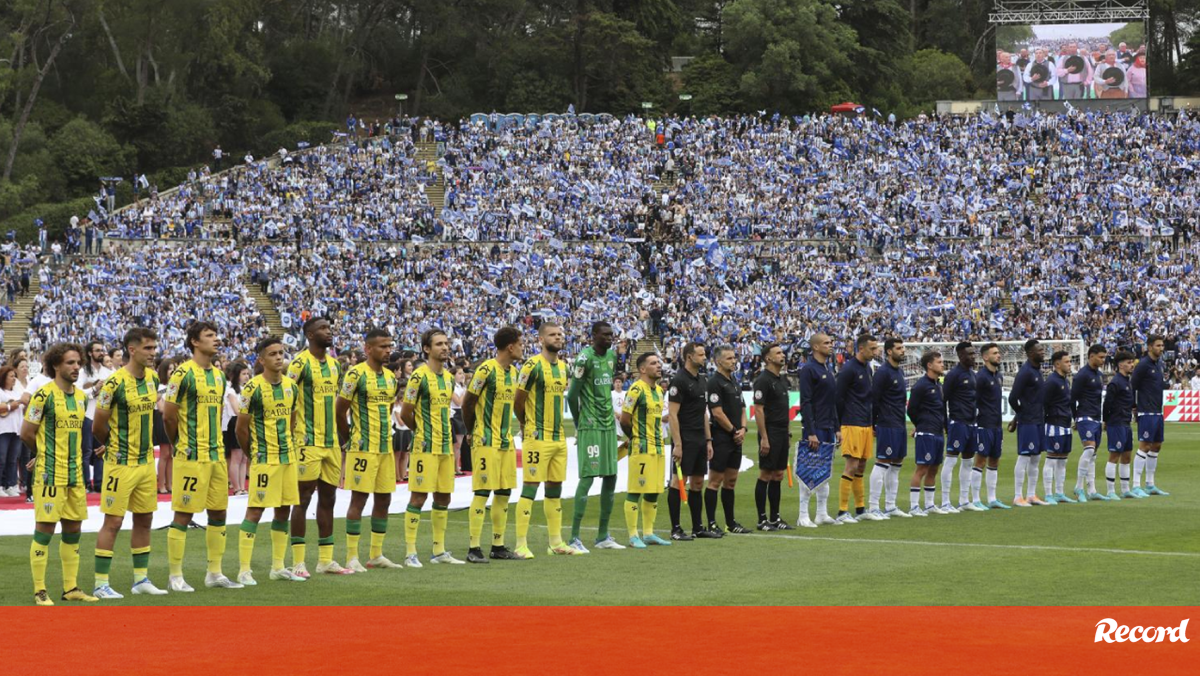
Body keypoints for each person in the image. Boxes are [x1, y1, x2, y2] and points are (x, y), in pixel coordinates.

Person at [90, 328, 169, 599]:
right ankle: (101, 583)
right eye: (148, 348)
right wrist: (114, 445)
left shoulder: (153, 378)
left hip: (146, 462)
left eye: (154, 348)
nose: (153, 353)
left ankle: (140, 580)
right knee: (113, 521)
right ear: (132, 350)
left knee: (144, 519)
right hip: (120, 464)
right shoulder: (113, 383)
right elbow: (98, 424)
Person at [164, 321, 242, 592]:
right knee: (184, 513)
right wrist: (179, 443)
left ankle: (215, 572)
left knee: (219, 512)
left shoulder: (220, 377)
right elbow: (169, 415)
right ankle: (175, 575)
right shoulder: (182, 374)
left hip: (216, 455)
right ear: (195, 342)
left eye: (216, 335)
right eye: (209, 336)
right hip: (191, 456)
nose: (216, 339)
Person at [22, 343, 98, 605]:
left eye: (78, 362)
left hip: (76, 474)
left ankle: (70, 587)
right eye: (70, 363)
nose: (76, 367)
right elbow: (26, 432)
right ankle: (40, 590)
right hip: (50, 475)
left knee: (73, 530)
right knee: (45, 529)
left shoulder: (81, 397)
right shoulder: (42, 396)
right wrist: (41, 454)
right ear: (56, 365)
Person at [234, 337, 305, 585]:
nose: (278, 357)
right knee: (255, 511)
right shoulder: (252, 388)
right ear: (261, 360)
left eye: (281, 353)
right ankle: (244, 570)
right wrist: (254, 454)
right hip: (265, 459)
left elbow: (292, 420)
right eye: (273, 354)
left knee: (283, 510)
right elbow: (241, 429)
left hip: (288, 458)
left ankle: (278, 567)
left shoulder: (291, 387)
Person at [287, 317, 352, 576]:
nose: (329, 331)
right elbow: (288, 398)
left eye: (329, 327)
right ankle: (298, 561)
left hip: (331, 442)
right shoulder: (299, 363)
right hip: (307, 442)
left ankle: (325, 560)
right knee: (302, 499)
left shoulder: (335, 366)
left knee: (329, 498)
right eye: (323, 329)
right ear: (310, 335)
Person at [336, 328, 403, 571]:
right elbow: (339, 411)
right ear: (368, 349)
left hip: (385, 447)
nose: (388, 350)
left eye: (389, 346)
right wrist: (350, 440)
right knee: (359, 499)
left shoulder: (390, 378)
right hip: (363, 448)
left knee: (384, 499)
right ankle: (352, 556)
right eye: (383, 346)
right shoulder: (356, 375)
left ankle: (376, 554)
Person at [514, 322, 582, 557]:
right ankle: (520, 544)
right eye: (552, 335)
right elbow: (518, 401)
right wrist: (525, 425)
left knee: (555, 488)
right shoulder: (531, 366)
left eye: (560, 335)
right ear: (541, 339)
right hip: (537, 437)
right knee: (530, 488)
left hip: (558, 438)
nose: (558, 338)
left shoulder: (563, 367)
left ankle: (556, 543)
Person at [462, 327, 527, 563]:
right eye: (521, 343)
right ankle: (474, 548)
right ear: (510, 346)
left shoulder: (514, 372)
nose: (523, 347)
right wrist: (472, 432)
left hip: (505, 441)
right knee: (482, 491)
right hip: (485, 440)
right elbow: (467, 404)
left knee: (503, 492)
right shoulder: (486, 370)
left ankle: (498, 546)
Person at [400, 329, 463, 566]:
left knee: (444, 497)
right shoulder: (419, 376)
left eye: (446, 343)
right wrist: (423, 433)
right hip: (425, 447)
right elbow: (407, 412)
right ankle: (410, 553)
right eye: (439, 344)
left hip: (446, 447)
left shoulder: (448, 378)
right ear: (427, 349)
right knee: (418, 497)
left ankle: (439, 551)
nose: (445, 347)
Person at [565, 321, 624, 552]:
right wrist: (580, 423)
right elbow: (572, 396)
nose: (610, 338)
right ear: (594, 335)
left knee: (611, 477)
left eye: (612, 334)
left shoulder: (611, 357)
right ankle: (574, 538)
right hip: (590, 426)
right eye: (605, 334)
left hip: (609, 426)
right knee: (588, 478)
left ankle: (602, 536)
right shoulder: (584, 359)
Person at [619, 353, 671, 548]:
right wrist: (635, 438)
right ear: (642, 369)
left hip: (658, 447)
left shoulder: (658, 390)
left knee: (654, 490)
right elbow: (625, 419)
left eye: (659, 362)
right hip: (641, 447)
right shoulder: (635, 389)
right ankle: (633, 535)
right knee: (636, 489)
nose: (659, 366)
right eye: (653, 363)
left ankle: (648, 533)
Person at [667, 342, 716, 539]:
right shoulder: (678, 380)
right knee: (679, 481)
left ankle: (698, 527)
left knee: (697, 482)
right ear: (689, 357)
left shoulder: (702, 380)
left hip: (699, 438)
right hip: (684, 438)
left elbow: (704, 412)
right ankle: (676, 529)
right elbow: (672, 414)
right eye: (701, 354)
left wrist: (709, 440)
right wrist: (678, 444)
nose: (704, 358)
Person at [706, 344, 750, 533]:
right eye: (729, 358)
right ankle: (711, 523)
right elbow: (717, 413)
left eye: (734, 358)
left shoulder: (734, 381)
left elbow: (742, 408)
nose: (734, 361)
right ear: (718, 361)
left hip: (735, 437)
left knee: (731, 482)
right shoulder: (714, 382)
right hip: (722, 438)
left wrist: (743, 429)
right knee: (715, 481)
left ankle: (731, 523)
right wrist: (734, 431)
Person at [796, 335, 836, 528]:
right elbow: (806, 402)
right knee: (809, 469)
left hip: (828, 427)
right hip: (816, 428)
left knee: (824, 472)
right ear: (815, 346)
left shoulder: (828, 369)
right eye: (827, 343)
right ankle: (803, 514)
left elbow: (832, 402)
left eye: (830, 343)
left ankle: (822, 513)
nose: (831, 346)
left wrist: (837, 428)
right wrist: (811, 431)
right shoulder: (808, 370)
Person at [867, 337, 909, 520]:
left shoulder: (899, 372)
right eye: (899, 348)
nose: (903, 351)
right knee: (883, 462)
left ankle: (890, 505)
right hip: (886, 422)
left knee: (897, 464)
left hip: (899, 423)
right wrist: (873, 423)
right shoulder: (883, 372)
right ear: (889, 351)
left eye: (903, 348)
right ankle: (873, 506)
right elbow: (874, 399)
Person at [834, 334, 875, 524]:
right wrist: (840, 426)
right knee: (851, 465)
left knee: (861, 466)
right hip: (851, 423)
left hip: (865, 423)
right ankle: (842, 511)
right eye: (872, 349)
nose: (875, 352)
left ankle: (860, 508)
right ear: (861, 349)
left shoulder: (867, 368)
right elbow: (838, 398)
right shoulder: (848, 369)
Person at [1008, 339, 1049, 507]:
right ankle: (1018, 496)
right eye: (1040, 350)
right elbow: (1012, 398)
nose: (1043, 352)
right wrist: (1021, 415)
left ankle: (1031, 494)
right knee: (1025, 456)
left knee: (1036, 458)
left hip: (1038, 420)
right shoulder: (1025, 372)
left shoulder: (1037, 371)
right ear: (1030, 353)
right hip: (1029, 421)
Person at [907, 351, 947, 517]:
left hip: (938, 433)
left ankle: (929, 504)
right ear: (929, 365)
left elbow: (942, 410)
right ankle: (914, 506)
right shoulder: (921, 386)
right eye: (939, 362)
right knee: (921, 468)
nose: (942, 364)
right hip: (926, 432)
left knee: (934, 469)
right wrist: (920, 425)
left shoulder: (939, 385)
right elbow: (911, 410)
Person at [971, 343, 1010, 510]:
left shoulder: (998, 376)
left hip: (996, 425)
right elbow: (973, 400)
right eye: (995, 353)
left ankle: (992, 498)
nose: (998, 355)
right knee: (980, 460)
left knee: (994, 460)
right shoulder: (980, 377)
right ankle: (975, 499)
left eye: (998, 353)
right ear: (985, 357)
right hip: (983, 424)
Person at [941, 341, 978, 513]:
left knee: (968, 462)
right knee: (951, 460)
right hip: (958, 422)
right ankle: (945, 501)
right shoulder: (953, 375)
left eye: (974, 353)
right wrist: (945, 423)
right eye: (970, 354)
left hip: (972, 423)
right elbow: (943, 400)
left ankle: (964, 500)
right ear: (960, 356)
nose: (973, 356)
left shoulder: (972, 374)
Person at [1130, 334, 1167, 496]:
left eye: (1162, 345)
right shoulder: (1143, 365)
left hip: (1158, 411)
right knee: (1145, 445)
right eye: (1158, 345)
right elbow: (1133, 386)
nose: (1161, 348)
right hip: (1146, 411)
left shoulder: (1159, 364)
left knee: (1157, 445)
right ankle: (1136, 485)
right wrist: (1134, 406)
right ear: (1150, 347)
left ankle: (1150, 484)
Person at [1071, 344, 1109, 502]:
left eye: (1104, 357)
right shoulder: (1082, 375)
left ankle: (1092, 490)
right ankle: (1079, 487)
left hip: (1096, 418)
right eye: (1100, 357)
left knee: (1093, 455)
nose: (1103, 360)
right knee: (1089, 449)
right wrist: (1075, 418)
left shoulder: (1099, 375)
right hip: (1084, 417)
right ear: (1091, 356)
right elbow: (1072, 398)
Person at [78, 340, 113, 493]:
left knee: (101, 450)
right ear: (90, 353)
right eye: (97, 350)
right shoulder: (83, 372)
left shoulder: (108, 372)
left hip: (103, 414)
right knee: (86, 451)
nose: (101, 353)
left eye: (102, 350)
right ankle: (86, 483)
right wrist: (94, 389)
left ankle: (99, 483)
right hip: (87, 414)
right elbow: (77, 391)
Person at [1042, 350, 1076, 504]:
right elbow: (1044, 403)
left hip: (1065, 424)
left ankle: (1060, 492)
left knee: (1063, 460)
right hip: (1054, 425)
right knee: (1051, 460)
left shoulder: (1065, 381)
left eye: (1070, 361)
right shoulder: (1052, 381)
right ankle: (1049, 494)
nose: (1070, 364)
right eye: (1067, 362)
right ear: (1057, 364)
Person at [1102, 351, 1137, 500]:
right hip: (1116, 423)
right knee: (1114, 455)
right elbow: (1107, 403)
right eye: (1129, 362)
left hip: (1126, 422)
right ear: (1121, 364)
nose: (1131, 365)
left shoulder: (1127, 381)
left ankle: (1125, 489)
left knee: (1127, 456)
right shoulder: (1115, 382)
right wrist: (1106, 420)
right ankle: (1110, 491)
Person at [224, 362, 251, 496]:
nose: (246, 376)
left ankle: (242, 487)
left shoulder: (246, 389)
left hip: (245, 421)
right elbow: (236, 409)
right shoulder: (231, 390)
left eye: (247, 374)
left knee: (244, 458)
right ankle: (236, 488)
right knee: (236, 456)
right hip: (235, 421)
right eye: (243, 374)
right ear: (236, 375)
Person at [0, 366, 24, 497]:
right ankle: (1, 485)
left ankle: (10, 484)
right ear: (4, 377)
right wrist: (10, 406)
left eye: (14, 376)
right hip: (2, 430)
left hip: (16, 429)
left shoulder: (16, 393)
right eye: (11, 376)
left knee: (13, 459)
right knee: (1, 459)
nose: (14, 378)